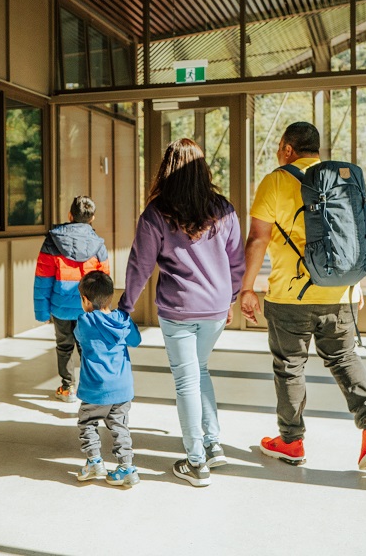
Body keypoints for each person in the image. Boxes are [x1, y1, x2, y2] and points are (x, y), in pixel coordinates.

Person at [238, 122, 366, 471]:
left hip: (290, 295)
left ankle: (291, 441)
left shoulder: (276, 180)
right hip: (342, 292)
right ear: (317, 150)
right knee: (343, 357)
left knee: (289, 366)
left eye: (281, 148)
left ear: (287, 148)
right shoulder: (342, 180)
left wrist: (246, 287)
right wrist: (355, 286)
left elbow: (258, 240)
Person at [118, 138, 245, 487]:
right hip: (216, 308)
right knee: (200, 371)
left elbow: (139, 266)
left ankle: (195, 461)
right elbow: (237, 262)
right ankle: (213, 443)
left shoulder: (157, 214)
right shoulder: (223, 209)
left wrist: (125, 308)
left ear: (167, 169)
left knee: (186, 380)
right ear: (202, 169)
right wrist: (230, 298)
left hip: (179, 310)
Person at [34, 196, 111, 402]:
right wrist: (103, 309)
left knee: (64, 345)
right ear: (92, 217)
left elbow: (42, 279)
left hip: (60, 307)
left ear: (70, 215)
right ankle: (88, 388)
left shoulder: (52, 241)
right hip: (88, 307)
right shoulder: (98, 245)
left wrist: (41, 311)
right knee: (87, 345)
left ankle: (68, 388)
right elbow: (104, 280)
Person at [74, 270, 143, 487]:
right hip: (122, 389)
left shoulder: (84, 322)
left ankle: (94, 461)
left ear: (85, 300)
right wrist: (125, 317)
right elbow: (136, 340)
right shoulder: (123, 320)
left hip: (95, 388)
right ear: (110, 297)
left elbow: (79, 338)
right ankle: (127, 468)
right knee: (120, 427)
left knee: (88, 423)